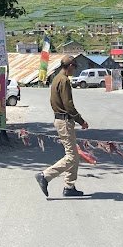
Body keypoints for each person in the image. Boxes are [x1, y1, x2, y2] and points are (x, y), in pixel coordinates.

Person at [35, 56, 89, 197]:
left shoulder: (56, 78)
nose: (75, 69)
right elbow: (68, 105)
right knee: (71, 156)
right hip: (64, 121)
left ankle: (69, 186)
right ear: (70, 65)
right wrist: (81, 121)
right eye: (75, 66)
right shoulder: (64, 80)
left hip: (61, 120)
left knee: (74, 155)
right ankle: (45, 176)